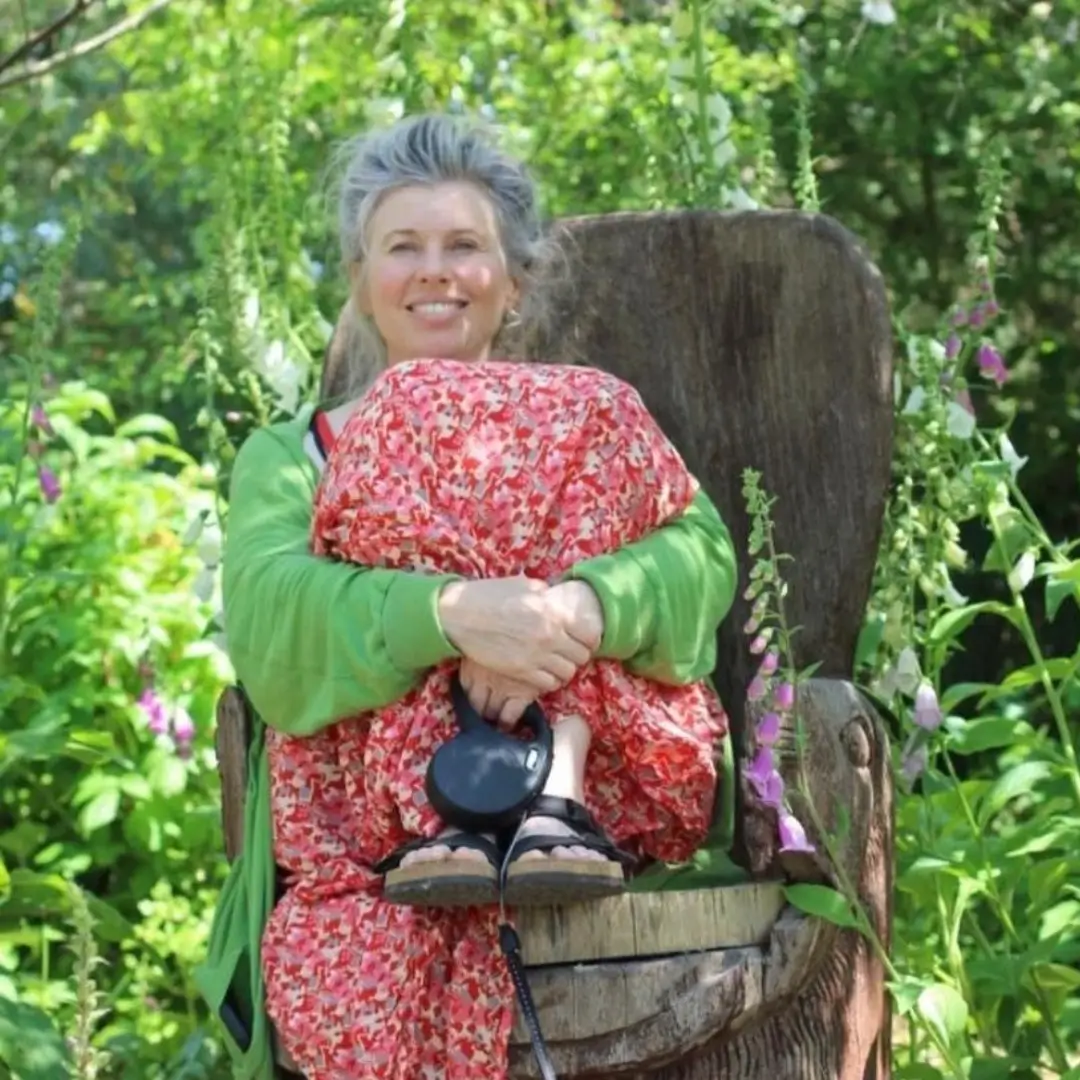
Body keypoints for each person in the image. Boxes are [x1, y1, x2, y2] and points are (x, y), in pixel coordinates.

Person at [197, 114, 739, 1080]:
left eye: (464, 246)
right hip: (374, 841)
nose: (434, 271)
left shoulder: (587, 432)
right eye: (402, 247)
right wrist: (453, 615)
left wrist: (574, 609)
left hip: (587, 815)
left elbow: (699, 554)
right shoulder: (292, 458)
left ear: (515, 280)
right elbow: (274, 615)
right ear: (362, 283)